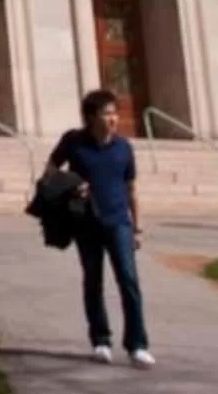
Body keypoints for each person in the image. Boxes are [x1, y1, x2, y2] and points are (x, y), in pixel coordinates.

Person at [47, 89, 151, 367]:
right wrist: (71, 185)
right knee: (93, 281)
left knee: (128, 281)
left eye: (115, 113)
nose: (114, 119)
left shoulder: (123, 147)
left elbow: (132, 188)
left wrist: (137, 228)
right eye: (107, 114)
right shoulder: (74, 142)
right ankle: (101, 340)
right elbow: (50, 171)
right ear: (92, 117)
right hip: (86, 223)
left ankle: (137, 345)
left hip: (119, 223)